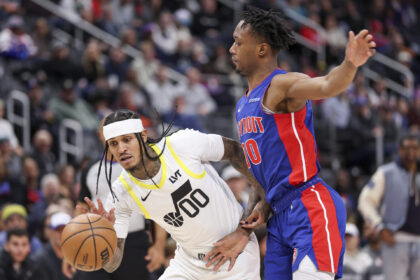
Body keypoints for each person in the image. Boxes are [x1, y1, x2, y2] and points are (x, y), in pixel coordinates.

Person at [223, 6, 375, 280]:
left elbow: (327, 84)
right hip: (278, 217)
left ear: (261, 49)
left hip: (310, 204)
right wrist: (253, 216)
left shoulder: (281, 85)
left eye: (238, 42)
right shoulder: (243, 105)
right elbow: (261, 174)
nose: (231, 48)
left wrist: (350, 64)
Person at [79, 109, 263, 279]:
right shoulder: (120, 193)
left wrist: (244, 231)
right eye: (113, 144)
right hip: (189, 263)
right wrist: (104, 236)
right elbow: (112, 264)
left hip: (236, 249)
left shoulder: (181, 144)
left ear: (143, 136)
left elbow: (236, 150)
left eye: (127, 140)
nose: (121, 149)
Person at [358, 134, 420, 280]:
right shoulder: (386, 172)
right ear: (399, 150)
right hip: (395, 239)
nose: (411, 152)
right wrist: (379, 226)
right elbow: (365, 201)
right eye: (407, 148)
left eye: (415, 148)